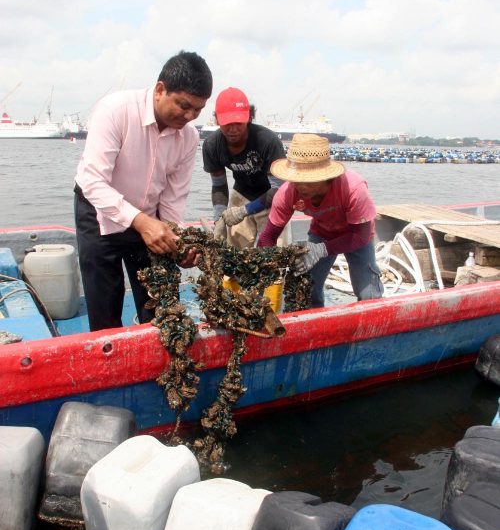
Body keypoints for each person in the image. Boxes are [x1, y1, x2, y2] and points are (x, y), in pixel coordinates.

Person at [74, 50, 213, 331]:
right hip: (99, 212)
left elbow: (173, 199)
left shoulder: (189, 137)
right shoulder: (115, 110)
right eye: (184, 105)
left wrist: (178, 242)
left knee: (161, 306)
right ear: (161, 90)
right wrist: (140, 221)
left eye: (198, 110)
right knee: (105, 307)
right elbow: (93, 182)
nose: (189, 116)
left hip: (150, 218)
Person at [257, 133, 383, 307]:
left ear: (326, 177)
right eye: (297, 180)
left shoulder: (353, 189)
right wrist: (264, 269)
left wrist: (321, 250)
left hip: (355, 235)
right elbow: (267, 238)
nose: (301, 186)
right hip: (322, 231)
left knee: (369, 297)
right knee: (306, 293)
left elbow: (360, 236)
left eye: (308, 181)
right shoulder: (287, 193)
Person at [202, 87, 287, 249]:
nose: (233, 129)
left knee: (272, 255)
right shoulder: (212, 146)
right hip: (241, 193)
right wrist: (219, 218)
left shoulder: (268, 142)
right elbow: (219, 185)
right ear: (217, 120)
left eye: (238, 122)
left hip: (270, 197)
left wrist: (246, 210)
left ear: (249, 117)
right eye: (227, 123)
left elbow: (279, 190)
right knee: (235, 253)